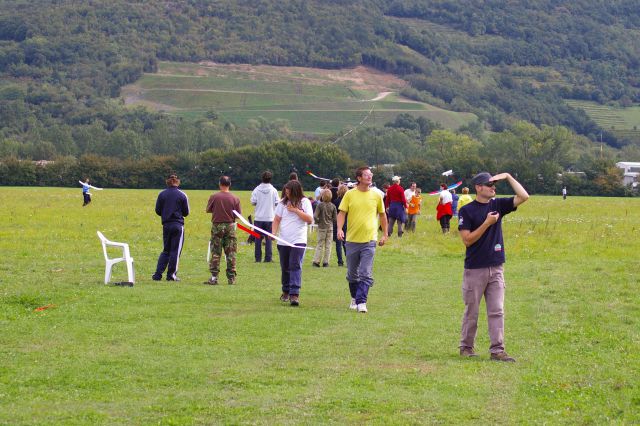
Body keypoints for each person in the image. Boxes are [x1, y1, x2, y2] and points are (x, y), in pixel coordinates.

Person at [458, 172, 529, 362]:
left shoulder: (497, 205)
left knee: (497, 310)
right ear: (478, 188)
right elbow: (467, 240)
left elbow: (524, 196)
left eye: (494, 184)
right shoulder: (467, 211)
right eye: (489, 185)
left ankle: (497, 351)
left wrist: (508, 177)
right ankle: (466, 347)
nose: (493, 188)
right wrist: (487, 223)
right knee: (472, 311)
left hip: (496, 267)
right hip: (475, 269)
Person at [337, 166, 388, 313]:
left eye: (370, 175)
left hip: (369, 240)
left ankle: (361, 302)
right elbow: (342, 213)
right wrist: (340, 229)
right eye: (366, 175)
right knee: (352, 274)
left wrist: (385, 234)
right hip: (352, 240)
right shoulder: (349, 195)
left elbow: (383, 215)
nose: (369, 177)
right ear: (359, 178)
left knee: (365, 273)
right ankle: (354, 298)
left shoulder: (377, 195)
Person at [272, 180, 314, 306]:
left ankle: (294, 294)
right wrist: (273, 232)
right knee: (285, 267)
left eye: (289, 192)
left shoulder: (305, 202)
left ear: (295, 192)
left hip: (298, 240)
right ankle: (285, 291)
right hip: (283, 240)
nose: (287, 195)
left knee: (295, 265)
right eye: (286, 192)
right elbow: (277, 219)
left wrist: (296, 210)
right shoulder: (282, 203)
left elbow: (309, 219)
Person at [153, 174, 190, 282]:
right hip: (178, 225)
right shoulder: (182, 195)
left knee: (166, 250)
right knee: (175, 251)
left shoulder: (162, 194)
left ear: (167, 181)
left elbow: (157, 210)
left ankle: (157, 274)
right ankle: (171, 275)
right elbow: (186, 212)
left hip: (166, 225)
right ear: (178, 182)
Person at [205, 176, 241, 285]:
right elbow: (238, 215)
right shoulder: (235, 198)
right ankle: (231, 278)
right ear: (229, 184)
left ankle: (214, 277)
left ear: (220, 184)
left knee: (216, 252)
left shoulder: (214, 196)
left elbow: (208, 210)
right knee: (231, 252)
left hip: (217, 226)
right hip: (230, 226)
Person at [250, 170, 279, 263]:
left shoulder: (256, 189)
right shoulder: (274, 190)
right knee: (269, 238)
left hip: (258, 218)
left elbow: (253, 202)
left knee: (257, 239)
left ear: (262, 178)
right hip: (270, 217)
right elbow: (277, 202)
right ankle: (268, 258)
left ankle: (257, 258)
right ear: (270, 179)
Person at [312, 189, 337, 267]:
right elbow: (335, 219)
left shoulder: (320, 205)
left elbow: (315, 216)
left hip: (321, 227)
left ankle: (316, 261)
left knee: (320, 244)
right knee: (328, 245)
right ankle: (326, 262)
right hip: (330, 227)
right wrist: (332, 222)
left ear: (322, 196)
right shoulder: (333, 206)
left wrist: (318, 221)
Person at [332, 184, 348, 266]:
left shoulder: (336, 201)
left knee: (338, 243)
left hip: (337, 222)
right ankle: (348, 260)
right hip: (346, 222)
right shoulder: (348, 201)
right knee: (346, 243)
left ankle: (340, 261)